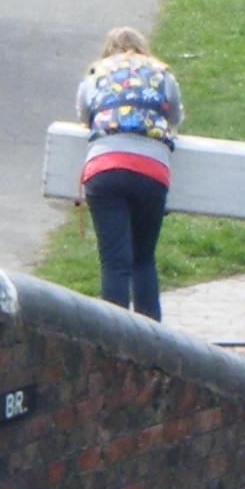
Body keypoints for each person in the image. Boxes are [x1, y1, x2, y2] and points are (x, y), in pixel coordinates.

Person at [76, 26, 180, 320]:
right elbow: (175, 117)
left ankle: (114, 340)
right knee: (143, 259)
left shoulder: (96, 72)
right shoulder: (163, 73)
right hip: (151, 168)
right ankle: (152, 341)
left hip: (105, 167)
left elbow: (84, 114)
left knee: (114, 263)